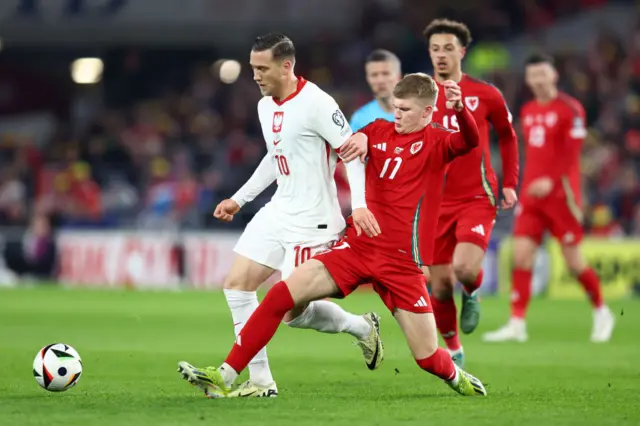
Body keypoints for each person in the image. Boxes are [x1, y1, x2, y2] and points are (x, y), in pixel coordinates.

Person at [178, 73, 488, 398]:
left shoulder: (438, 140)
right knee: (280, 297)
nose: (397, 115)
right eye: (395, 108)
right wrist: (363, 141)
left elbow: (469, 140)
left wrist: (460, 111)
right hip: (356, 248)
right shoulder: (377, 130)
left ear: (427, 112)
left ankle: (456, 376)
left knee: (427, 358)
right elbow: (345, 146)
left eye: (406, 110)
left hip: (401, 264)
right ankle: (225, 375)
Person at [212, 33, 384, 398]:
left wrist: (360, 204)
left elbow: (352, 150)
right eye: (252, 68)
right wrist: (239, 199)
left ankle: (361, 327)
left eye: (262, 68)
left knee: (293, 314)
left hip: (314, 220)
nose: (256, 76)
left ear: (286, 66)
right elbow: (276, 157)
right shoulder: (264, 105)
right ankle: (260, 382)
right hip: (279, 210)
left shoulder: (318, 103)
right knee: (237, 284)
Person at [483, 53, 615, 343]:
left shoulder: (571, 109)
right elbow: (532, 153)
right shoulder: (528, 110)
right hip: (532, 195)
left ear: (553, 75)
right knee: (521, 254)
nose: (538, 80)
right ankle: (517, 323)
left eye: (543, 73)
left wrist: (551, 179)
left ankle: (601, 311)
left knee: (573, 261)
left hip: (562, 195)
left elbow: (572, 152)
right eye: (533, 75)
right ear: (528, 79)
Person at [422, 19, 519, 366]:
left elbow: (507, 135)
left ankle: (473, 289)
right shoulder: (420, 96)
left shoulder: (485, 93)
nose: (441, 55)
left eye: (448, 48)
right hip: (434, 203)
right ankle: (454, 348)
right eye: (435, 49)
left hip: (477, 196)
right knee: (441, 286)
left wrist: (510, 182)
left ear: (462, 52)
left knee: (463, 269)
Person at [350, 49, 402, 131]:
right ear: (367, 79)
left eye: (386, 73)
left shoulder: (416, 112)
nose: (380, 80)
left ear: (398, 76)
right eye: (374, 75)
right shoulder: (360, 119)